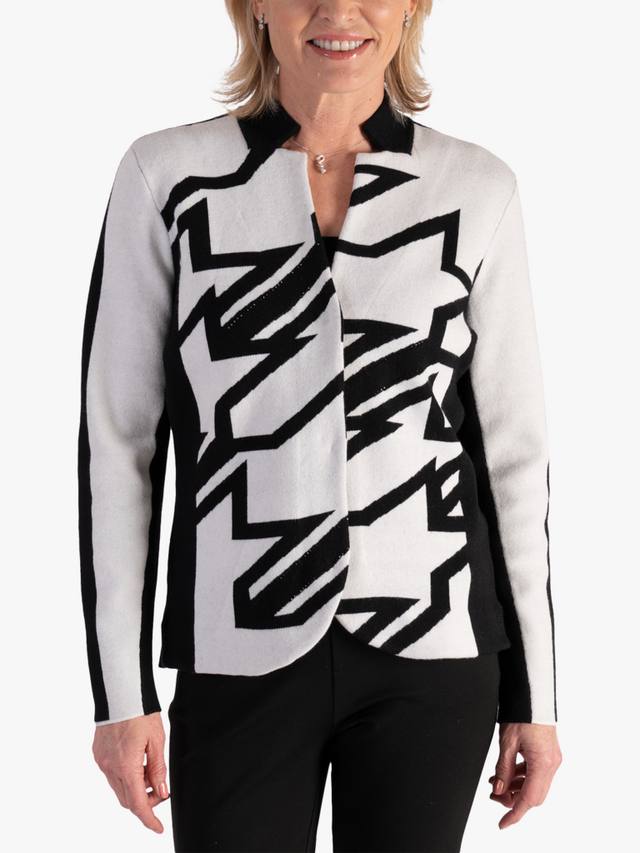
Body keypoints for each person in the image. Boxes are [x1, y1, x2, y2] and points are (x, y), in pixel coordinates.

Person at [77, 1, 563, 850]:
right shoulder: (169, 177)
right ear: (257, 5)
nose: (339, 11)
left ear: (411, 6)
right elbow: (119, 444)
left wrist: (536, 697)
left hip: (433, 653)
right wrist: (122, 694)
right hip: (237, 645)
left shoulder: (477, 188)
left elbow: (511, 457)